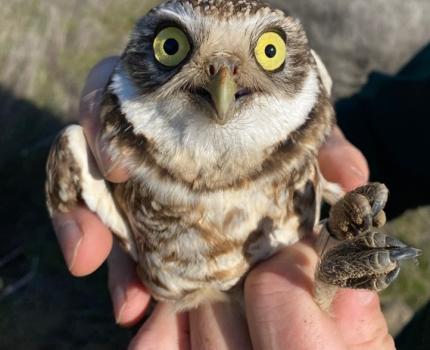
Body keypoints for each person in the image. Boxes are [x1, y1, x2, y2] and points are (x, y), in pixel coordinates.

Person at [51, 56, 396, 349]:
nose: (223, 83)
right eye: (173, 47)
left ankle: (328, 273)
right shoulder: (125, 153)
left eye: (267, 52)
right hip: (203, 300)